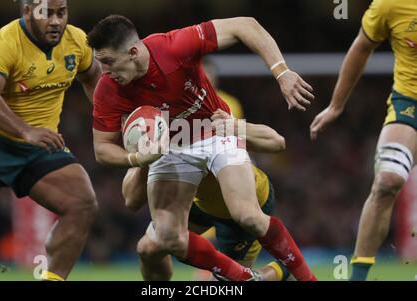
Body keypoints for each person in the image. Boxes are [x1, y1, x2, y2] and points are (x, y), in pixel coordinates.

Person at [88, 15, 316, 281]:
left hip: (212, 129)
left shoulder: (174, 47)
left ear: (134, 52)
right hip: (170, 145)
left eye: (108, 62)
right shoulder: (108, 90)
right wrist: (140, 157)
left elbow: (245, 25)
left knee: (247, 216)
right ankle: (247, 278)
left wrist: (282, 71)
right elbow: (102, 149)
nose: (104, 72)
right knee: (166, 237)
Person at [0, 0, 102, 281]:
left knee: (82, 203)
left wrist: (105, 119)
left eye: (61, 13)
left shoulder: (76, 41)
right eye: (46, 13)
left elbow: (94, 77)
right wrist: (26, 130)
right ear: (27, 12)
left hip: (39, 146)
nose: (55, 21)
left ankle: (52, 279)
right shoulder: (3, 43)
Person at [309, 0, 417, 281]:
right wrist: (336, 105)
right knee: (386, 182)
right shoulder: (391, 4)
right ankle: (357, 277)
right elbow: (361, 46)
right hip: (410, 104)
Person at [124, 110, 299, 281]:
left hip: (241, 206)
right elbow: (131, 200)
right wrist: (146, 159)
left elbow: (277, 141)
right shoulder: (156, 125)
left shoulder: (212, 110)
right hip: (199, 202)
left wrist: (235, 126)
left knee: (230, 283)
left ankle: (282, 270)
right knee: (148, 249)